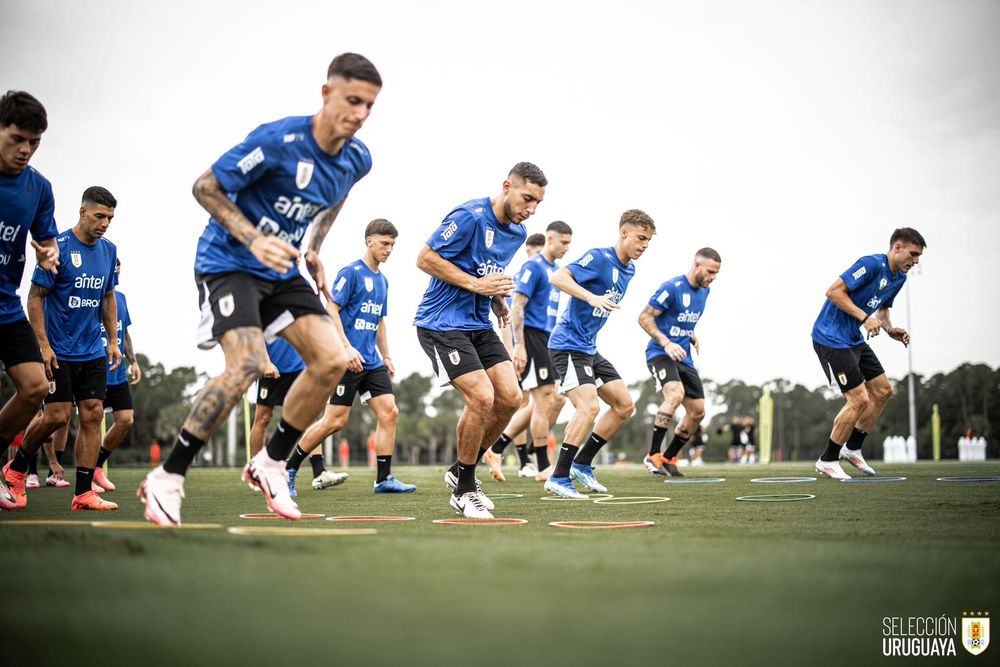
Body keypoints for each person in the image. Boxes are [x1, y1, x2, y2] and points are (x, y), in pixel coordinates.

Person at [138, 53, 382, 525]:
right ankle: (168, 475)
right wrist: (252, 237)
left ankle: (271, 463)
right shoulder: (278, 141)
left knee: (332, 361)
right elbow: (205, 187)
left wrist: (314, 247)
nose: (359, 114)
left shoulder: (357, 158)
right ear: (327, 94)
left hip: (283, 269)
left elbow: (339, 195)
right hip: (229, 262)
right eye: (352, 100)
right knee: (248, 365)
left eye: (369, 106)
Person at [414, 162, 547, 518]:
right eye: (527, 198)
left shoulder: (518, 234)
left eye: (537, 203)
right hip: (440, 322)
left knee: (510, 397)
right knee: (481, 396)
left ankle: (461, 470)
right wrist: (477, 286)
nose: (530, 209)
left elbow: (483, 270)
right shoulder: (470, 216)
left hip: (476, 322)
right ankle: (465, 489)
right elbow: (425, 259)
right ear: (507, 186)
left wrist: (496, 298)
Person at [3, 186, 121, 511]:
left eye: (110, 218)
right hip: (58, 350)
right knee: (56, 416)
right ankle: (16, 469)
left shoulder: (109, 251)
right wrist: (42, 344)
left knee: (94, 414)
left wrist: (112, 341)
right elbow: (35, 297)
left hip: (92, 350)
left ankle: (83, 492)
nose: (105, 223)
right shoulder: (60, 248)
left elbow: (108, 297)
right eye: (99, 216)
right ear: (83, 212)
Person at [288, 219, 415, 494]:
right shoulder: (351, 273)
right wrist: (346, 348)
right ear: (369, 240)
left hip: (371, 361)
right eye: (384, 243)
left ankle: (383, 479)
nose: (389, 249)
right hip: (346, 360)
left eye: (392, 245)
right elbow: (331, 309)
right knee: (335, 421)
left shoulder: (383, 281)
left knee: (389, 412)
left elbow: (380, 321)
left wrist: (388, 356)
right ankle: (289, 468)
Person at [544, 210, 655, 499]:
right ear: (624, 233)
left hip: (589, 348)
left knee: (624, 405)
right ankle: (558, 477)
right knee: (589, 407)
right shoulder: (599, 258)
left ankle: (582, 463)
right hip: (567, 345)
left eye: (648, 241)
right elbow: (558, 277)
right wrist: (589, 295)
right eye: (641, 238)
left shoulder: (630, 270)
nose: (644, 245)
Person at [811, 227, 926, 479]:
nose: (915, 261)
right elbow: (833, 292)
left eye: (918, 257)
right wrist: (864, 318)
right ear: (897, 247)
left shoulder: (900, 278)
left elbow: (882, 310)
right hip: (830, 337)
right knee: (859, 399)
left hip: (853, 338)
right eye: (913, 253)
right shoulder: (872, 264)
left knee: (884, 390)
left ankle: (852, 449)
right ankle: (828, 459)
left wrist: (889, 328)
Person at [0, 91, 59, 509]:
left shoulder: (38, 188)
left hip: (5, 305)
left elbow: (47, 238)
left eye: (34, 142)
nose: (25, 150)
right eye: (17, 138)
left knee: (36, 387)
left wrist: (50, 252)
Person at [484, 221, 573, 482]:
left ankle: (498, 447)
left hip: (548, 337)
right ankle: (543, 465)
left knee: (553, 399)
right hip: (531, 336)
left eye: (570, 243)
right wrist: (518, 346)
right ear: (550, 239)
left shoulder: (556, 271)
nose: (567, 248)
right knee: (543, 398)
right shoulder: (533, 267)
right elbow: (517, 307)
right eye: (563, 242)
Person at [638, 247, 721, 477]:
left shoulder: (705, 292)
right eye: (710, 271)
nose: (713, 277)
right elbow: (644, 317)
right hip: (660, 353)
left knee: (697, 411)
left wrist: (690, 334)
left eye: (716, 273)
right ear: (697, 265)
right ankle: (653, 454)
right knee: (675, 394)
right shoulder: (671, 288)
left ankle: (669, 457)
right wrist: (666, 342)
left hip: (684, 356)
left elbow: (682, 319)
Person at [93, 259, 142, 492]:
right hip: (94, 368)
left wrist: (134, 361)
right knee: (86, 422)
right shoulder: (90, 296)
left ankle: (96, 467)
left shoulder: (120, 298)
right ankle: (29, 466)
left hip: (117, 371)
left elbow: (125, 332)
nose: (117, 277)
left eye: (119, 273)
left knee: (126, 420)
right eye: (115, 273)